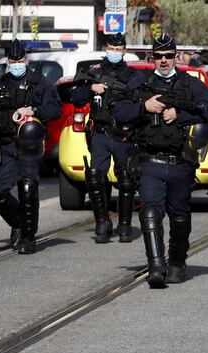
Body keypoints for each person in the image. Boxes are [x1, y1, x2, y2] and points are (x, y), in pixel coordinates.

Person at [113, 34, 208, 288]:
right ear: (152, 58)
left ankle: (176, 263)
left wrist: (180, 114)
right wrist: (144, 108)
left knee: (180, 217)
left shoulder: (189, 83)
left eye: (168, 56)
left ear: (176, 56)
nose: (163, 61)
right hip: (149, 160)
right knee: (150, 211)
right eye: (159, 56)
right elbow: (118, 112)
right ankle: (156, 266)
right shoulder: (140, 84)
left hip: (181, 162)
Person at [72, 32, 145, 243]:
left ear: (124, 50)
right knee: (94, 175)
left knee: (126, 179)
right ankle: (102, 222)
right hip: (101, 132)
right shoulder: (95, 72)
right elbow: (76, 98)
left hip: (123, 133)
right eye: (111, 49)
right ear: (106, 49)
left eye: (118, 49)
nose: (114, 52)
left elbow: (139, 96)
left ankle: (124, 225)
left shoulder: (133, 75)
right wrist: (90, 88)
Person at [0, 39, 61, 254]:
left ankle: (28, 238)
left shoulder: (40, 82)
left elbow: (55, 109)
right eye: (12, 60)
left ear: (26, 60)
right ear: (8, 61)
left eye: (19, 60)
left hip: (29, 145)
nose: (16, 64)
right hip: (5, 145)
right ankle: (20, 223)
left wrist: (34, 111)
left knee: (27, 187)